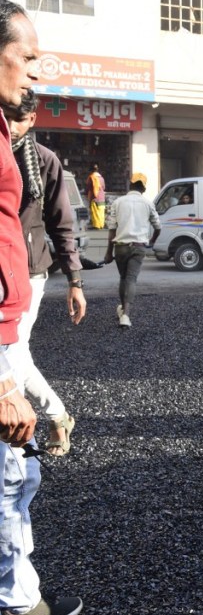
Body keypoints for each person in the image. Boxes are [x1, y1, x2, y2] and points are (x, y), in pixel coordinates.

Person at [0, 0, 83, 615]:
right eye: (26, 56)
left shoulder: (37, 157)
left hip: (23, 298)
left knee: (15, 478)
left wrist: (72, 278)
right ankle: (19, 606)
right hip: (4, 326)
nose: (36, 69)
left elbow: (62, 225)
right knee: (9, 481)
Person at [2, 90, 87, 457]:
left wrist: (75, 281)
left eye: (20, 118)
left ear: (33, 119)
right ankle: (57, 415)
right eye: (7, 116)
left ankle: (18, 448)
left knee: (13, 350)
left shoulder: (45, 161)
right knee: (13, 353)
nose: (12, 125)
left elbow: (62, 226)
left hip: (30, 271)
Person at [104, 173, 161, 329]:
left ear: (130, 185)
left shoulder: (118, 202)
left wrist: (109, 252)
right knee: (131, 279)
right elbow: (158, 227)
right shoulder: (147, 203)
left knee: (123, 278)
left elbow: (112, 230)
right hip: (138, 247)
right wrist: (152, 241)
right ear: (143, 188)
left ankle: (123, 309)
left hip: (120, 247)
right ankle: (126, 315)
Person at [86, 162, 105, 229]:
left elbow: (88, 188)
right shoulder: (102, 178)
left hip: (94, 197)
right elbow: (103, 187)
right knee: (101, 212)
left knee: (95, 212)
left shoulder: (91, 177)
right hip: (102, 198)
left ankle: (96, 225)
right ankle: (101, 225)